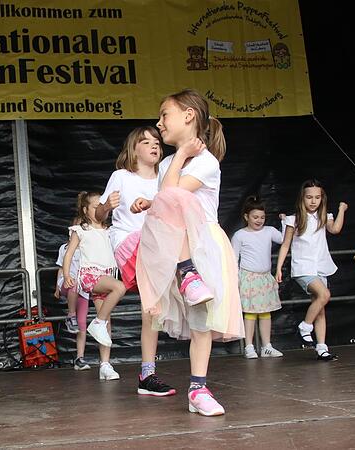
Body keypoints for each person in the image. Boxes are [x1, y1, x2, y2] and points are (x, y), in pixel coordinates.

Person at [136, 89, 244, 416]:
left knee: (202, 319)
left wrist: (183, 157)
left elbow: (175, 195)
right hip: (178, 244)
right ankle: (186, 272)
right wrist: (180, 155)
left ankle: (198, 388)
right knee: (169, 202)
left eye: (164, 115)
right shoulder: (171, 160)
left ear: (188, 115)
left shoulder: (207, 161)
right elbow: (168, 196)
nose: (159, 123)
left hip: (204, 241)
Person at [95, 126, 175, 396]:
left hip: (154, 248)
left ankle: (147, 374)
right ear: (134, 149)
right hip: (130, 242)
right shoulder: (121, 176)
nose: (154, 145)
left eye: (157, 141)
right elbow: (99, 214)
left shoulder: (164, 177)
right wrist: (107, 206)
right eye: (146, 142)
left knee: (151, 310)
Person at [275, 180, 347, 362]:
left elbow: (336, 229)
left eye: (317, 197)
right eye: (309, 197)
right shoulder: (294, 219)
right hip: (303, 267)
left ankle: (322, 348)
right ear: (302, 198)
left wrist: (342, 210)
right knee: (324, 295)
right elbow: (285, 245)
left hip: (321, 266)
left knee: (320, 307)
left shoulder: (325, 217)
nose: (313, 201)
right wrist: (278, 268)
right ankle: (305, 327)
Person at [64, 191, 126, 381]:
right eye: (96, 206)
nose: (101, 209)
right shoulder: (80, 230)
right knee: (120, 288)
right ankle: (97, 323)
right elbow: (68, 254)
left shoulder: (110, 230)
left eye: (103, 205)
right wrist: (67, 274)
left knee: (107, 322)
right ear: (85, 209)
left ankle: (105, 365)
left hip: (107, 275)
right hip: (91, 275)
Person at [230, 195, 284, 359]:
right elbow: (234, 257)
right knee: (251, 313)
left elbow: (283, 239)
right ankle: (249, 346)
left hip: (265, 277)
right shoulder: (240, 235)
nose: (259, 220)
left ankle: (267, 346)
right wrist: (236, 279)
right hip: (248, 278)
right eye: (255, 217)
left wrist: (285, 222)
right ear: (246, 217)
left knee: (266, 312)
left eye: (262, 217)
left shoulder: (269, 231)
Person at [54, 228, 90, 370]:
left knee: (82, 325)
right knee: (72, 283)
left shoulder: (86, 249)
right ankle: (71, 315)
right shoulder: (64, 248)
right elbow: (61, 268)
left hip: (82, 288)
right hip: (66, 282)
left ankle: (79, 358)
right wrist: (57, 288)